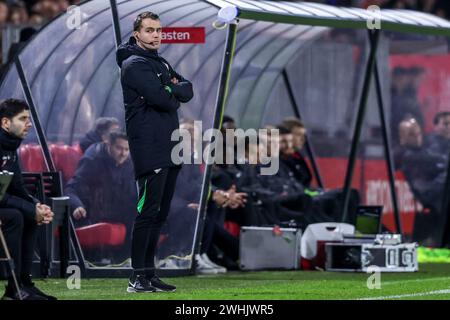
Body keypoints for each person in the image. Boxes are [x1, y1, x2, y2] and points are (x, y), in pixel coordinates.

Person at [116, 11, 193, 293]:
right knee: (147, 213)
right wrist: (171, 89)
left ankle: (149, 274)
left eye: (159, 30)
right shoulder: (134, 64)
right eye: (149, 30)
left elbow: (188, 89)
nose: (156, 35)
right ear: (137, 34)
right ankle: (137, 277)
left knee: (160, 213)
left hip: (169, 146)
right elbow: (165, 100)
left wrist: (171, 89)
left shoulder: (159, 61)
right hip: (150, 148)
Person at [0, 99, 55, 300]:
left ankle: (24, 283)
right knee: (16, 216)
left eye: (29, 119)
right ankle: (13, 288)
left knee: (29, 215)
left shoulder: (10, 149)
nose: (28, 123)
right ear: (6, 123)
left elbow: (17, 188)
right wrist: (29, 208)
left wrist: (36, 206)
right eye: (23, 119)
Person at [65, 131, 136, 263]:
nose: (123, 153)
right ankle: (122, 260)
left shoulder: (129, 164)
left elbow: (134, 193)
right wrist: (77, 206)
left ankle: (130, 260)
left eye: (127, 149)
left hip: (119, 209)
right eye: (119, 148)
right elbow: (71, 187)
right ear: (108, 145)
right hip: (93, 211)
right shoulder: (93, 161)